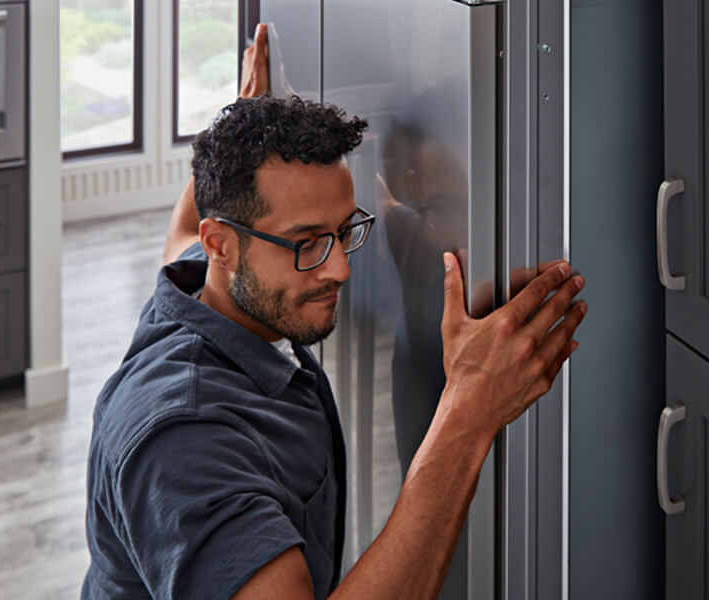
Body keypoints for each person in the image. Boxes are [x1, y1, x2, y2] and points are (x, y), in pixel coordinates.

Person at [82, 24, 587, 600]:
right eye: (306, 244)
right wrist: (468, 414)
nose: (340, 269)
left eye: (344, 231)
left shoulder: (199, 280)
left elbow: (181, 229)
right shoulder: (185, 442)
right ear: (222, 243)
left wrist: (246, 113)